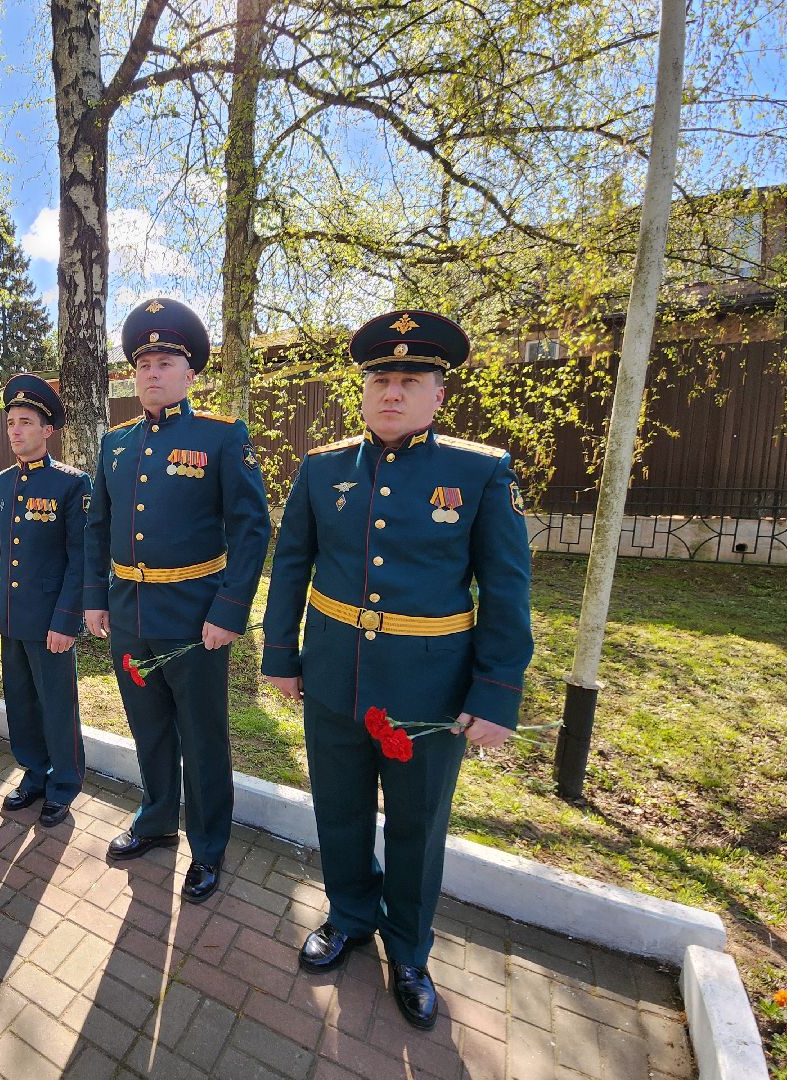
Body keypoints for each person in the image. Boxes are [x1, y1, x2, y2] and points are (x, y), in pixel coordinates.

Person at [259, 310, 534, 1030]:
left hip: (429, 690)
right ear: (363, 388)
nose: (392, 392)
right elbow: (291, 566)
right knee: (340, 809)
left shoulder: (478, 472)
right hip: (334, 676)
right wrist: (281, 655)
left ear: (438, 395)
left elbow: (506, 590)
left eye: (410, 380)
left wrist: (497, 694)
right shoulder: (321, 469)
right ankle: (350, 915)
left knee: (416, 823)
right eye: (382, 378)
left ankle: (408, 950)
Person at [84, 297, 271, 903]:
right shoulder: (115, 443)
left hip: (195, 619)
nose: (153, 373)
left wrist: (228, 610)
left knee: (203, 734)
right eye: (144, 364)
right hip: (130, 614)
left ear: (190, 374)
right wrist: (96, 600)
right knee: (150, 727)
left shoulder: (219, 436)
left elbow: (251, 529)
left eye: (166, 362)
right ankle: (159, 817)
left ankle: (209, 846)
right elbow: (97, 527)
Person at [0, 374, 90, 827]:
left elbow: (81, 559)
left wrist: (67, 621)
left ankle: (63, 783)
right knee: (21, 700)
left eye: (25, 422)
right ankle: (34, 773)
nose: (15, 430)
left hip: (50, 621)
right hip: (10, 617)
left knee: (57, 703)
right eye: (10, 423)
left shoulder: (71, 484)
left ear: (47, 430)